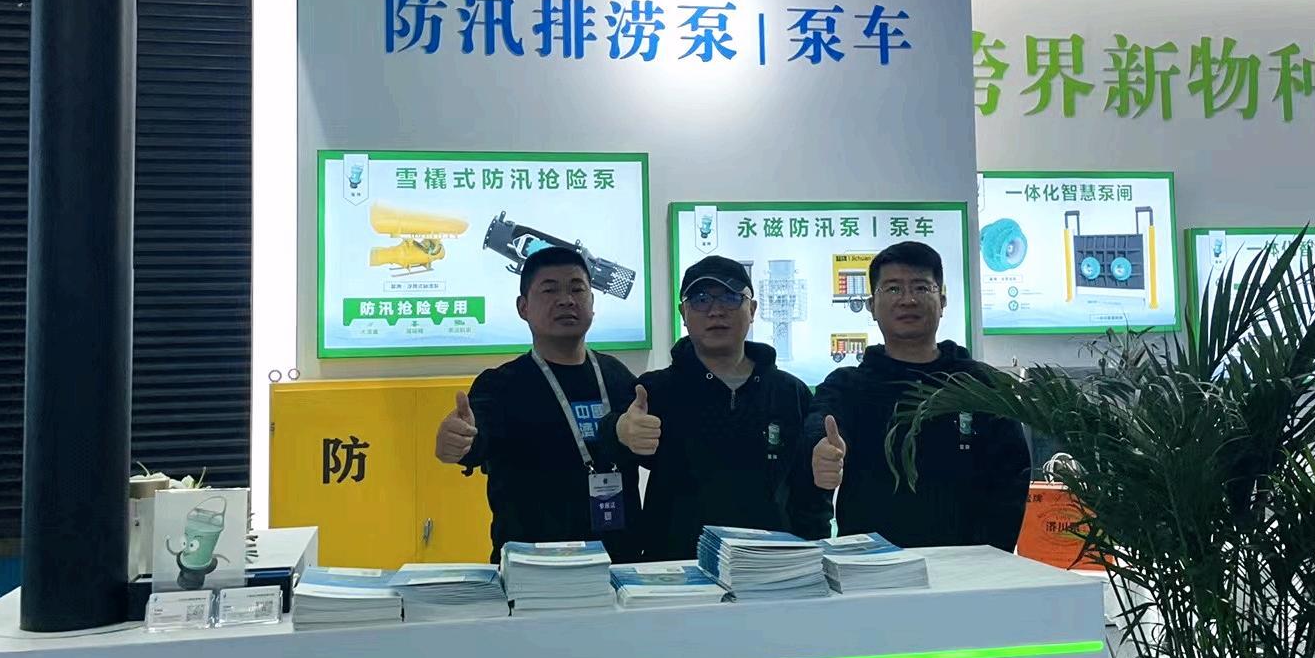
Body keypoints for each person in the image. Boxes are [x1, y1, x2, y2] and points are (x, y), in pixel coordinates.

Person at [802, 241, 1030, 550]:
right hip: (871, 568)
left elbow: (1012, 478)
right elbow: (822, 422)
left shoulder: (982, 384)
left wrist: (989, 556)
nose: (907, 300)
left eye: (921, 288)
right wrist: (820, 448)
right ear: (871, 305)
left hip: (966, 569)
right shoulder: (848, 386)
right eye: (893, 289)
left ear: (942, 301)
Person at [601, 256, 829, 561]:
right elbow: (608, 450)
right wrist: (619, 431)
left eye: (731, 298)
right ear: (683, 313)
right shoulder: (654, 391)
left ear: (752, 309)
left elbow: (809, 492)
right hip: (678, 569)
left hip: (772, 566)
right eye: (700, 299)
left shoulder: (790, 393)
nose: (716, 310)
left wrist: (813, 554)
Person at [433, 245, 641, 562]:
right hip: (531, 566)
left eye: (577, 289)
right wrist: (457, 442)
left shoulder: (618, 376)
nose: (566, 300)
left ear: (592, 302)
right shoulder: (501, 385)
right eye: (549, 290)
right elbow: (477, 437)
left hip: (617, 562)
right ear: (523, 307)